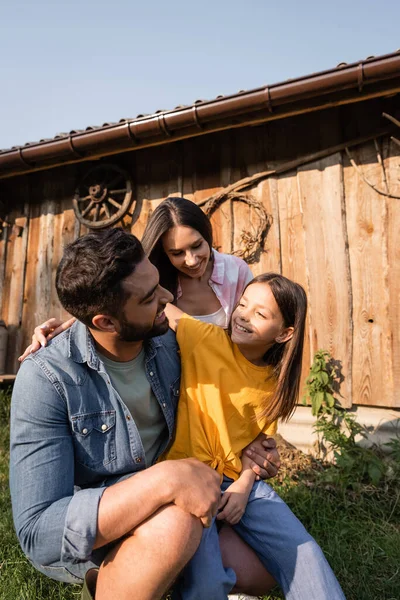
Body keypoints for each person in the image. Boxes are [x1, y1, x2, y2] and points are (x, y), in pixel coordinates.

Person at [10, 228, 280, 600]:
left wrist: (252, 445)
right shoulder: (46, 379)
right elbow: (38, 532)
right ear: (106, 322)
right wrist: (165, 480)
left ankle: (159, 569)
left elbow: (233, 382)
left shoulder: (169, 340)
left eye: (158, 284)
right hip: (101, 523)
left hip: (184, 490)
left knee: (265, 568)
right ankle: (117, 574)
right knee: (176, 526)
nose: (168, 298)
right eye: (151, 297)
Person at [159, 275, 346, 600]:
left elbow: (257, 447)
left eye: (260, 314)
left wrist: (245, 488)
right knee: (206, 582)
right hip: (189, 481)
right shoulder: (204, 338)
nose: (244, 315)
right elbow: (154, 304)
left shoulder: (274, 384)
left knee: (304, 552)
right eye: (243, 305)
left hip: (240, 483)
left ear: (285, 333)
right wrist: (77, 323)